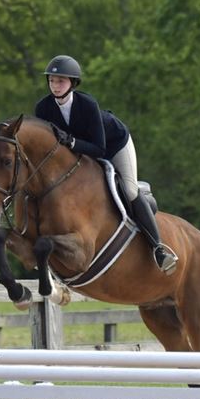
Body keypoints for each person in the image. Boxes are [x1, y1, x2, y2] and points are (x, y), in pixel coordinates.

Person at [34, 55, 179, 275]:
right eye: (52, 81)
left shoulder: (87, 104)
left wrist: (71, 142)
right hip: (79, 155)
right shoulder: (43, 108)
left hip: (114, 145)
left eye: (61, 81)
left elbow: (99, 149)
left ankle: (158, 248)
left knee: (129, 189)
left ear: (72, 83)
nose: (55, 86)